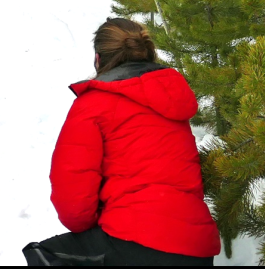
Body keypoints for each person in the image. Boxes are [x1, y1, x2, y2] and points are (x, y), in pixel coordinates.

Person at [23, 18, 221, 266]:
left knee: (45, 257)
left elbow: (73, 197)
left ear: (98, 59)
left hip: (135, 241)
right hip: (197, 250)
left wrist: (94, 225)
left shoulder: (92, 105)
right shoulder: (170, 96)